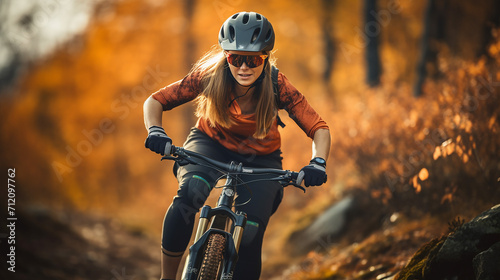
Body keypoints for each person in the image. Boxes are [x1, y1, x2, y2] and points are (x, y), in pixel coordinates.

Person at [143, 11, 331, 280]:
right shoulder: (209, 75)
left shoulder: (278, 85)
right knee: (189, 196)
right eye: (235, 58)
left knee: (251, 232)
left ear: (264, 59)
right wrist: (156, 131)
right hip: (209, 143)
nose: (244, 67)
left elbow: (319, 128)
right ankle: (167, 277)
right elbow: (155, 101)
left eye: (253, 59)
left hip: (261, 158)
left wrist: (318, 162)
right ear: (225, 56)